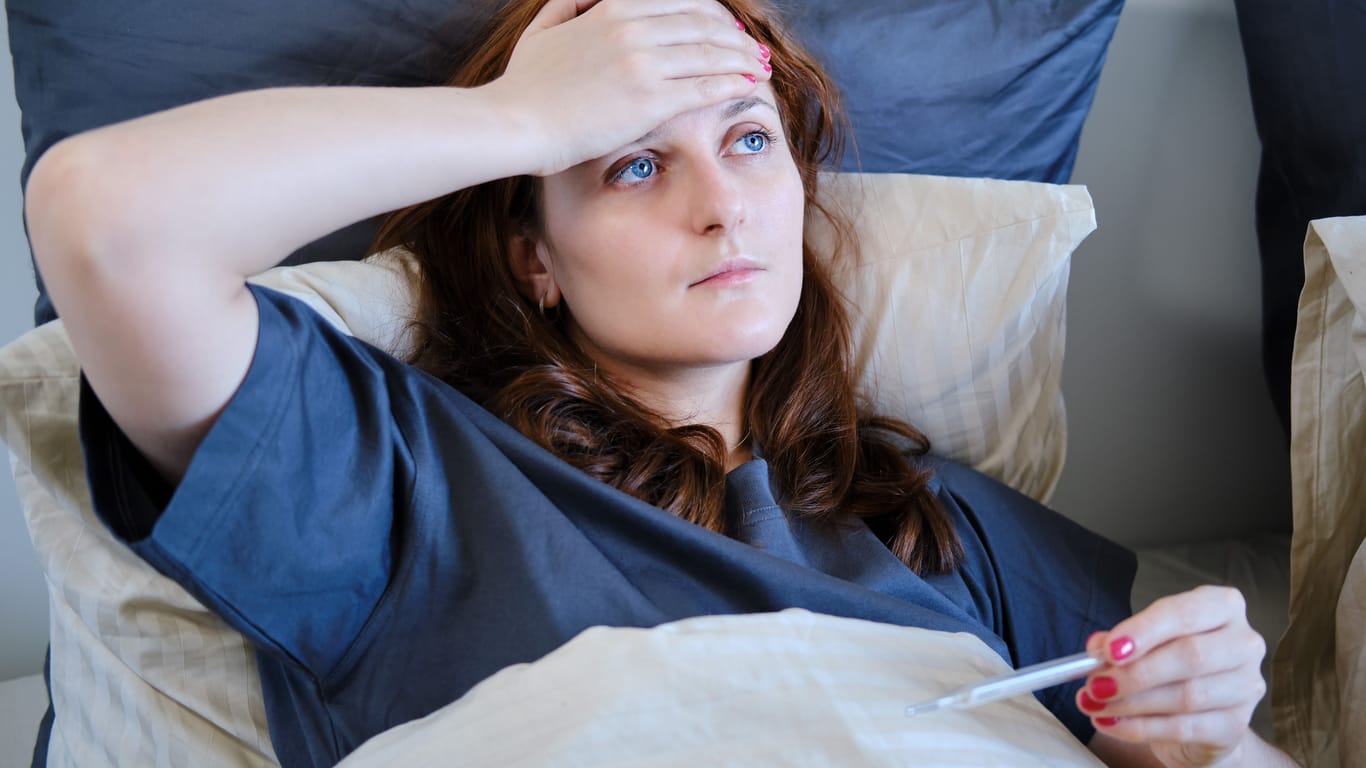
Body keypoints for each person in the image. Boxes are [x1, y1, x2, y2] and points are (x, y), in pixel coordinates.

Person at [25, 0, 1294, 766]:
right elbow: (103, 219)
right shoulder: (402, 477)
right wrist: (531, 118)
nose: (719, 206)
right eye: (631, 165)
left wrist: (1200, 735)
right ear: (533, 258)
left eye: (749, 141)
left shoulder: (934, 519)